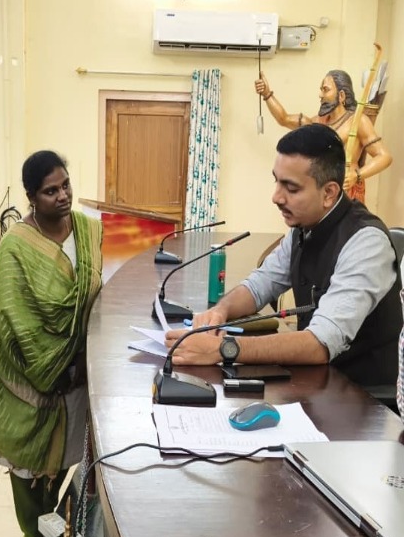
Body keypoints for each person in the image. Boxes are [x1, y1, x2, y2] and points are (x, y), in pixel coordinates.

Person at [165, 124, 402, 388]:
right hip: (317, 383)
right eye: (276, 181)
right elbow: (259, 286)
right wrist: (220, 311)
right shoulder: (304, 226)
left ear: (329, 193)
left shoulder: (367, 243)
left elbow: (320, 343)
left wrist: (223, 348)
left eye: (291, 188)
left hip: (361, 398)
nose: (276, 197)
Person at [0, 150, 103, 537]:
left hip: (78, 369)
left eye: (66, 185)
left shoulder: (87, 231)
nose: (63, 196)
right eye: (51, 191)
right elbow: (12, 320)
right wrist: (50, 367)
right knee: (30, 466)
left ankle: (57, 531)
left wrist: (78, 359)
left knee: (67, 456)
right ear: (31, 197)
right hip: (29, 377)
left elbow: (93, 292)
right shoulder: (15, 248)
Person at [254, 70, 392, 202]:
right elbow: (284, 119)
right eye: (321, 90)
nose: (320, 95)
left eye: (325, 90)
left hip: (347, 193)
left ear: (341, 96)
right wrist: (267, 94)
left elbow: (384, 156)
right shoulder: (316, 123)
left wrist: (357, 175)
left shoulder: (358, 122)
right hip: (320, 192)